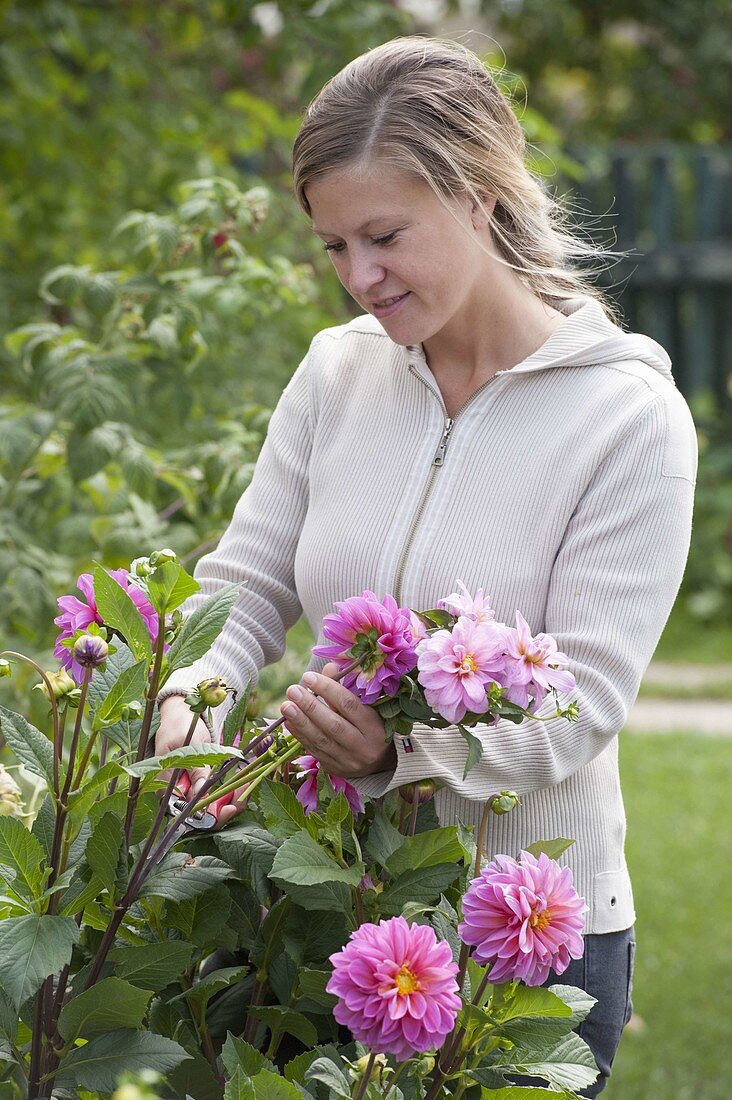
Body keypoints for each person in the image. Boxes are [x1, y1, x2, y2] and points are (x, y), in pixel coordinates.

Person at [156, 37, 696, 1096]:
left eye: (385, 235)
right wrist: (188, 694)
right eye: (334, 246)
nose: (361, 277)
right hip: (313, 904)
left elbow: (581, 702)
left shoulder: (627, 417)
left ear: (483, 194)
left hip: (519, 941)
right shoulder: (337, 372)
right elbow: (247, 582)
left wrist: (392, 757)